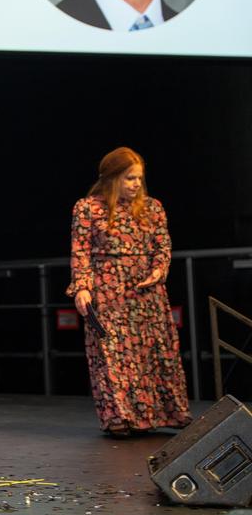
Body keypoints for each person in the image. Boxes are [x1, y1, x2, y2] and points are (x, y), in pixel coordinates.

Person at [66, 147, 191, 437]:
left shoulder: (152, 208)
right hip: (108, 291)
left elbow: (163, 246)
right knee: (112, 356)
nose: (136, 184)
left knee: (154, 353)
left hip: (146, 291)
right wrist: (82, 287)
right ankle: (119, 417)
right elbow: (80, 251)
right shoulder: (87, 208)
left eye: (139, 178)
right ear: (112, 178)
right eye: (129, 178)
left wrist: (158, 271)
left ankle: (166, 413)